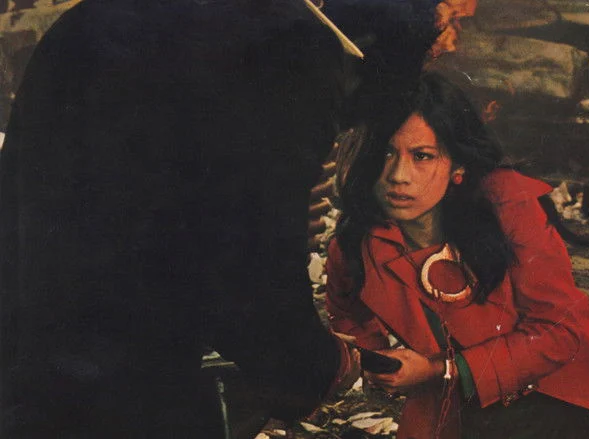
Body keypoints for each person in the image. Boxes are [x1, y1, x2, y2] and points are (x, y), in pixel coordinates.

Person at [0, 0, 360, 437]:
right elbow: (248, 266)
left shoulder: (84, 21)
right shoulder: (286, 38)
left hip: (35, 384)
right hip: (143, 395)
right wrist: (313, 366)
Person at [325, 72, 589, 439]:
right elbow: (348, 320)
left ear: (458, 166)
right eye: (386, 153)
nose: (398, 175)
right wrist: (378, 363)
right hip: (457, 415)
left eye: (422, 156)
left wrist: (439, 369)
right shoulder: (356, 244)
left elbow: (562, 331)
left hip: (566, 395)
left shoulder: (507, 201)